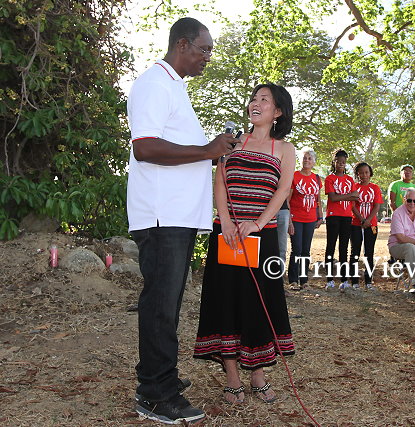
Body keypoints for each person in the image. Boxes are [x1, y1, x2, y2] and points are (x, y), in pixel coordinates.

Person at [127, 18, 239, 424]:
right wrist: (207, 150)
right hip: (162, 215)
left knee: (168, 304)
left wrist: (212, 151)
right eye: (204, 49)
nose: (208, 57)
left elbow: (178, 148)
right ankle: (155, 395)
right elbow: (145, 148)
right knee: (160, 305)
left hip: (178, 216)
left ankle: (160, 376)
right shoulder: (154, 83)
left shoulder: (175, 87)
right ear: (182, 44)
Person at [193, 83, 296, 405]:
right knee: (225, 301)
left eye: (264, 100)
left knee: (258, 304)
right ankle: (232, 378)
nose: (256, 103)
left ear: (277, 111)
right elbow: (219, 181)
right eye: (253, 98)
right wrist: (225, 221)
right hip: (226, 234)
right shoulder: (232, 142)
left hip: (261, 237)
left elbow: (283, 190)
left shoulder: (285, 149)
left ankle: (258, 375)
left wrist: (257, 223)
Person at [288, 147, 322, 290]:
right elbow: (287, 200)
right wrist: (289, 221)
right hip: (296, 218)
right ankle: (293, 280)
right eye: (304, 158)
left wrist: (320, 216)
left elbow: (318, 200)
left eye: (309, 158)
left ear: (313, 162)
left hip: (310, 219)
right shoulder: (294, 176)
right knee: (297, 249)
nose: (306, 160)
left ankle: (304, 280)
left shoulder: (317, 179)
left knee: (306, 250)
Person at [324, 149, 359, 289]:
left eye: (343, 162)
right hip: (333, 216)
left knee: (344, 248)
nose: (341, 164)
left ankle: (344, 280)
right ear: (334, 162)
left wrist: (342, 196)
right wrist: (349, 196)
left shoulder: (350, 180)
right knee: (330, 247)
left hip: (346, 216)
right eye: (338, 161)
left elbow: (356, 196)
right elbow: (332, 197)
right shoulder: (330, 178)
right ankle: (329, 279)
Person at [345, 162, 383, 290]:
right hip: (356, 224)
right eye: (361, 173)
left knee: (369, 253)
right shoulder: (354, 187)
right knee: (354, 252)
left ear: (370, 173)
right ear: (357, 174)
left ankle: (368, 281)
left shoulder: (375, 188)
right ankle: (354, 281)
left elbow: (377, 206)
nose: (364, 175)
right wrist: (361, 219)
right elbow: (352, 206)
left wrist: (368, 220)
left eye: (366, 172)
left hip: (372, 225)